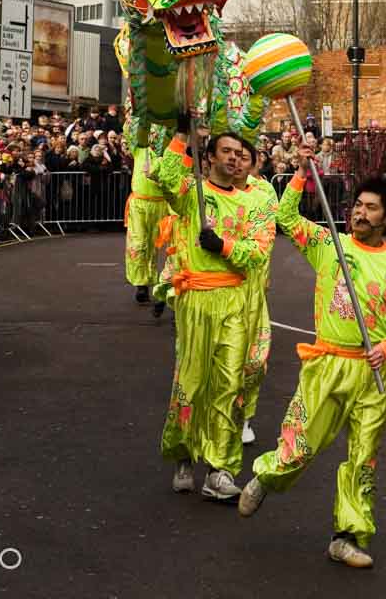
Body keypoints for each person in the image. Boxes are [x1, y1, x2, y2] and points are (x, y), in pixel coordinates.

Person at [238, 149, 386, 570]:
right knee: (300, 445)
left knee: (363, 457)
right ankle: (268, 475)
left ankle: (348, 536)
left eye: (371, 208)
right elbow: (286, 219)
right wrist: (303, 173)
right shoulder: (329, 246)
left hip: (373, 372)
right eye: (358, 206)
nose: (361, 213)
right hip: (326, 366)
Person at [156, 125, 276, 502]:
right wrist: (180, 135)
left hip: (235, 301)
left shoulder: (251, 203)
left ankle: (220, 469)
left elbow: (258, 250)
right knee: (192, 383)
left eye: (239, 153)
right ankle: (183, 457)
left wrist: (223, 245)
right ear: (208, 157)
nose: (233, 157)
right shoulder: (191, 194)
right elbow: (165, 176)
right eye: (225, 151)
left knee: (229, 386)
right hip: (197, 302)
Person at [232, 141, 278, 447]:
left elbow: (267, 242)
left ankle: (244, 417)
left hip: (252, 291)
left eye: (244, 157)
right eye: (230, 155)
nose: (237, 162)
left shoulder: (264, 193)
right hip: (217, 291)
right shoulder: (207, 192)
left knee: (254, 361)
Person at [124, 141, 168, 312]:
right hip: (140, 203)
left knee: (161, 246)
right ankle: (141, 283)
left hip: (163, 203)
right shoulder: (139, 146)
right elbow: (132, 126)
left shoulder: (168, 150)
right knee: (139, 243)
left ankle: (162, 285)